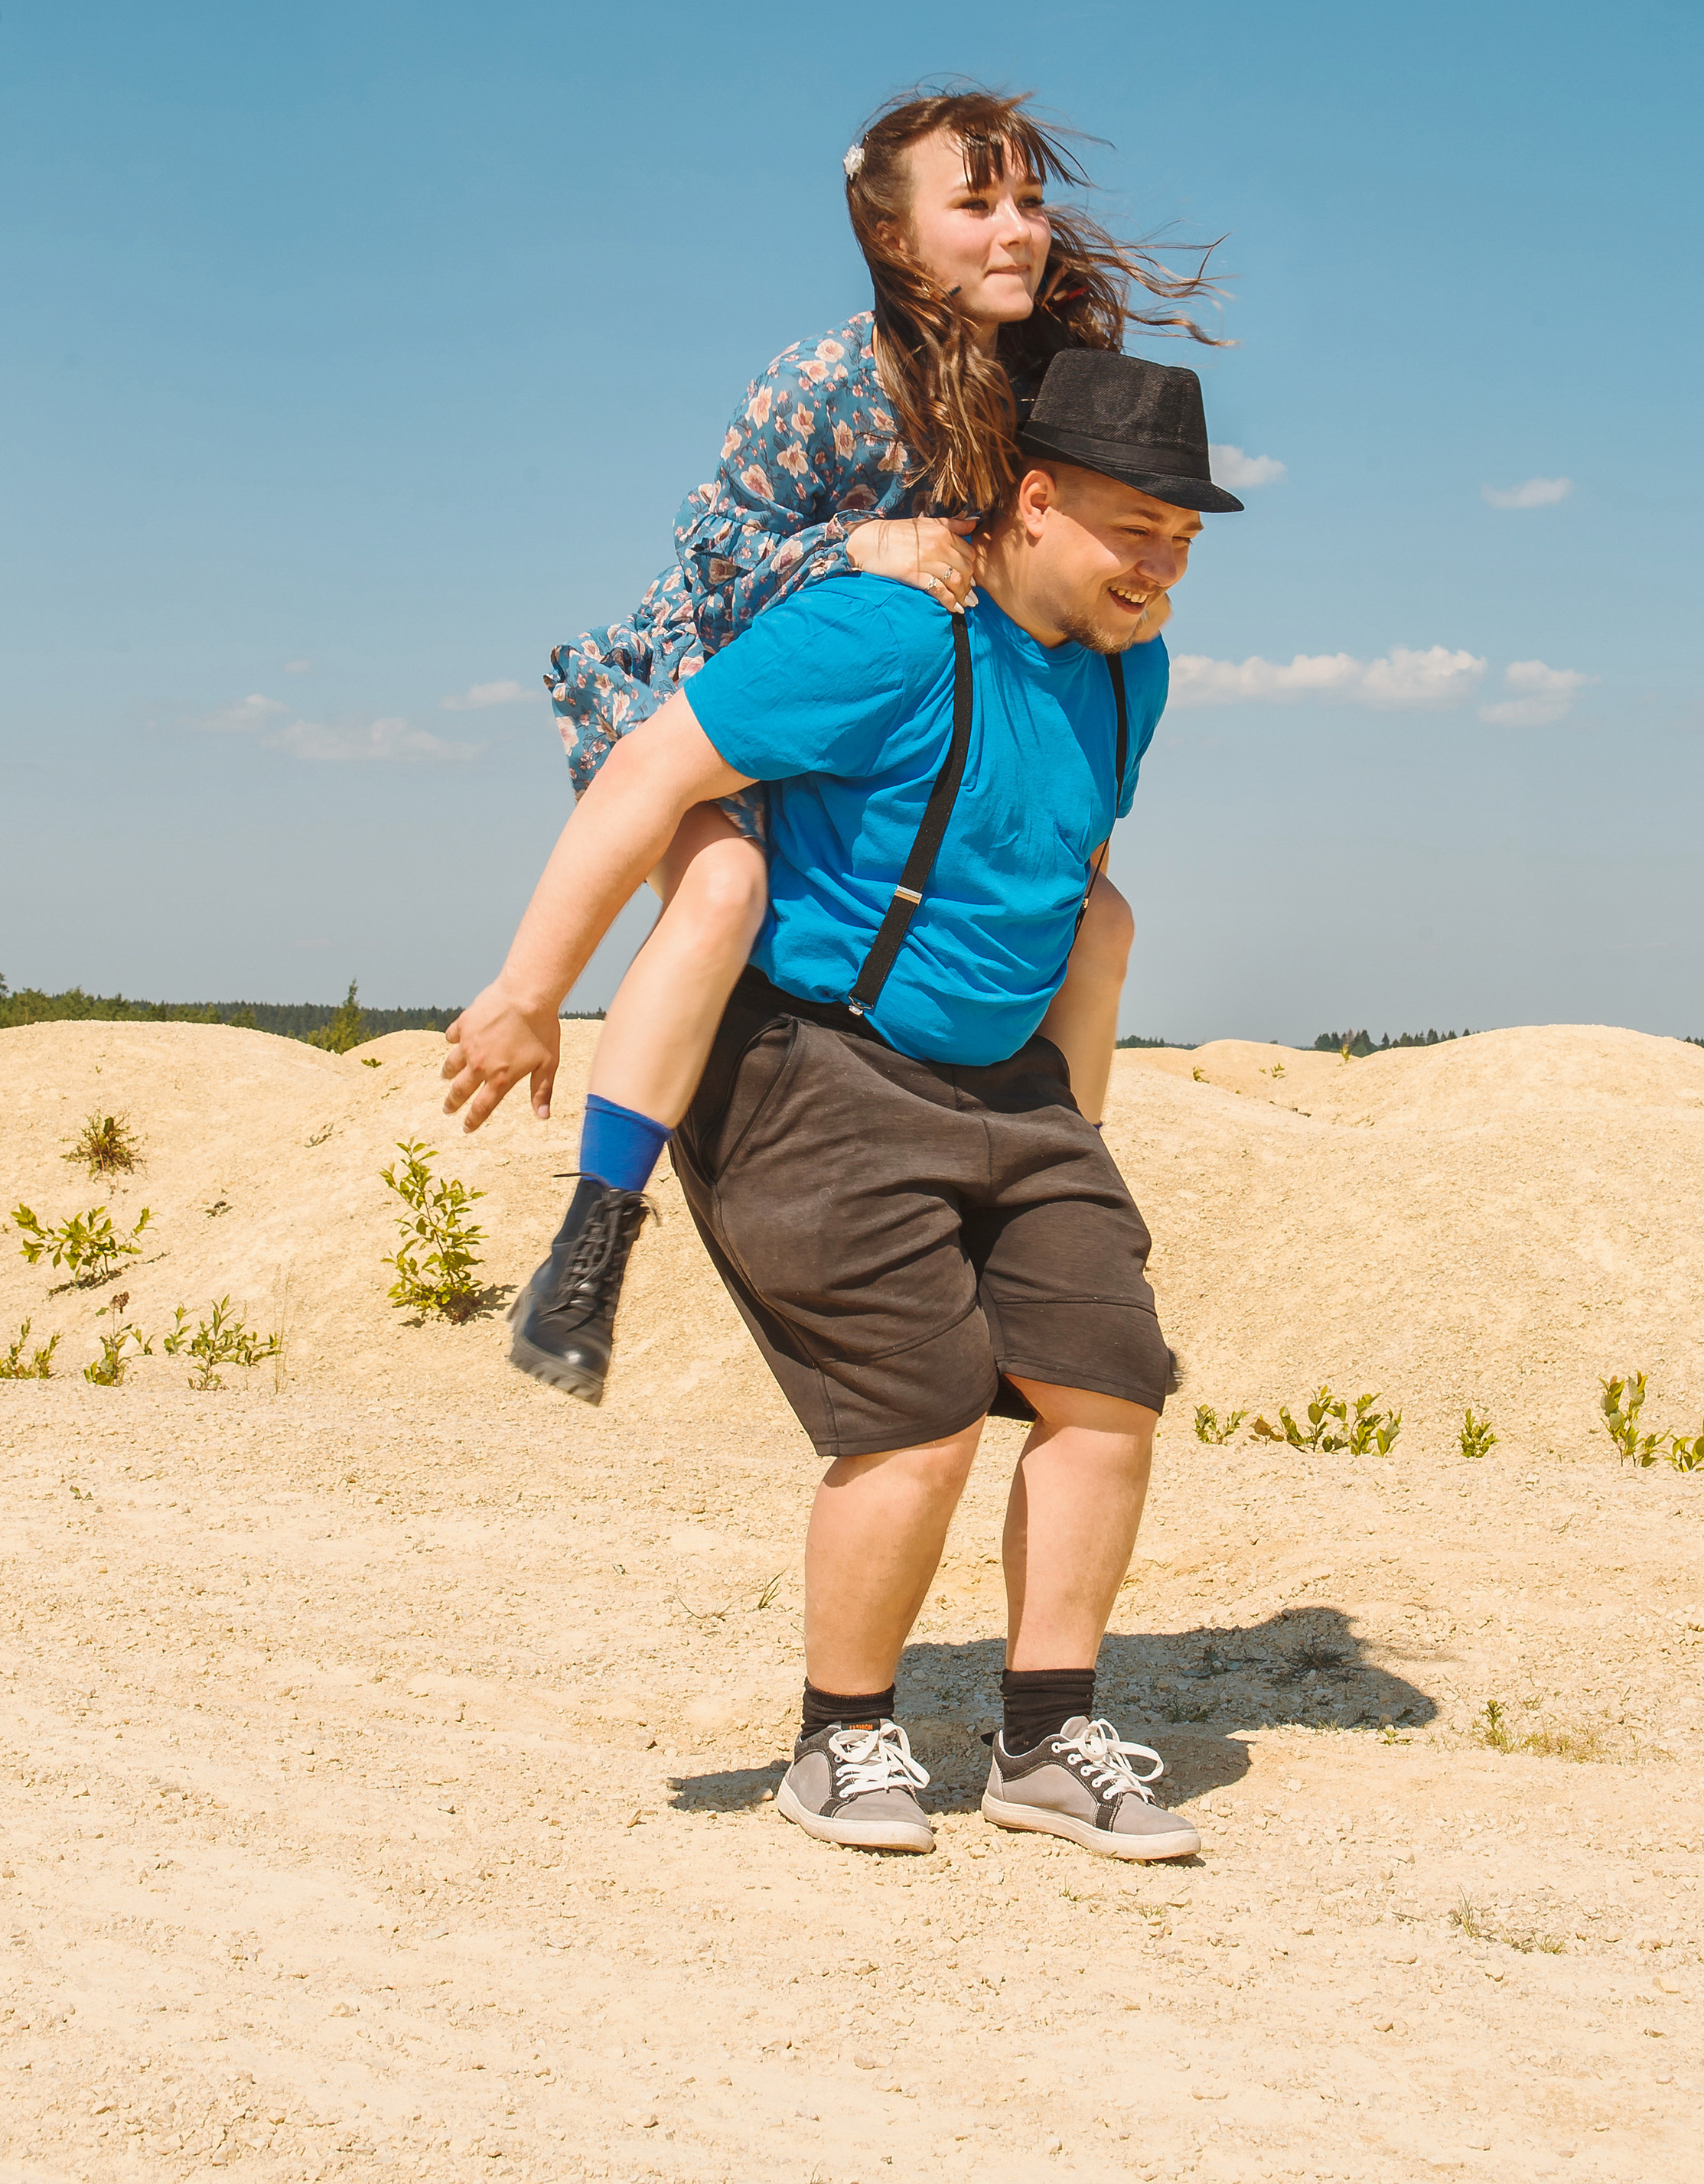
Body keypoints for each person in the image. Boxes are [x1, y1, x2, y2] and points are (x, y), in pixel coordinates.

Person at [443, 350, 1244, 1859]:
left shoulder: (1131, 671)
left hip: (1010, 1082)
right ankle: (841, 1737)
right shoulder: (876, 635)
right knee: (920, 1413)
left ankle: (1044, 1740)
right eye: (1134, 525)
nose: (1161, 564)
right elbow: (645, 776)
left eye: (1184, 539)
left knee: (1107, 1385)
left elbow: (1057, 886)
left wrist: (1064, 1163)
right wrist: (526, 988)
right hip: (811, 1056)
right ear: (1029, 496)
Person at [510, 89, 1219, 1406]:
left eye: (1027, 201)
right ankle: (596, 1224)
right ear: (896, 241)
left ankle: (1050, 1200)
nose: (1018, 229)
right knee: (725, 888)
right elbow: (709, 551)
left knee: (1095, 919)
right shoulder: (830, 375)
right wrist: (859, 545)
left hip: (899, 708)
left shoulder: (1050, 360)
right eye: (977, 203)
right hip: (733, 675)